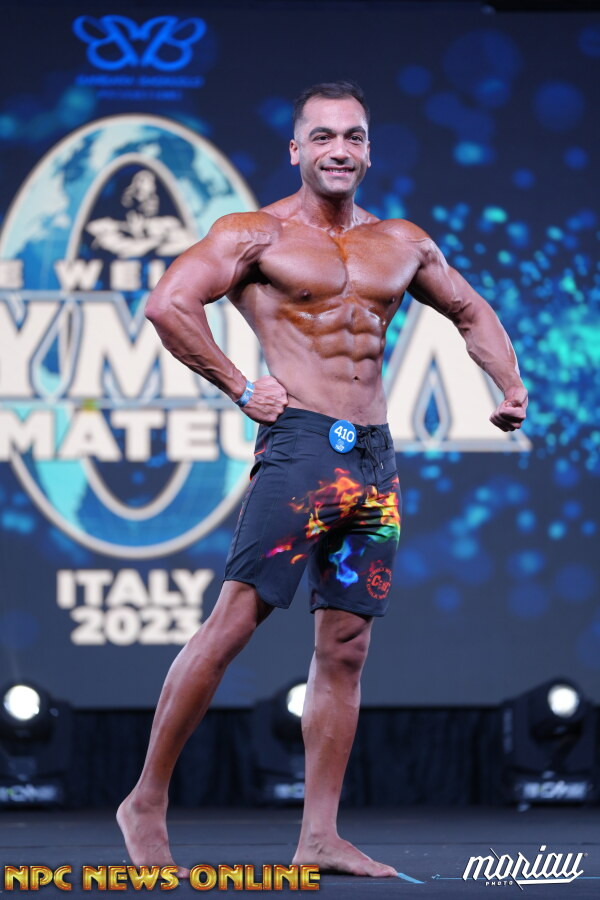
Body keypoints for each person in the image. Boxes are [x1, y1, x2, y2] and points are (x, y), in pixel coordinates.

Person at [117, 80, 528, 878]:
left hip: (374, 460)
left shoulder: (401, 242)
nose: (340, 150)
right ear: (296, 149)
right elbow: (169, 304)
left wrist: (508, 385)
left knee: (345, 646)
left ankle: (319, 836)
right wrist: (240, 385)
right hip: (301, 450)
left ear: (369, 152)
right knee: (233, 624)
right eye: (324, 137)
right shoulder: (255, 234)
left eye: (354, 137)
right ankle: (145, 800)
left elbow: (472, 311)